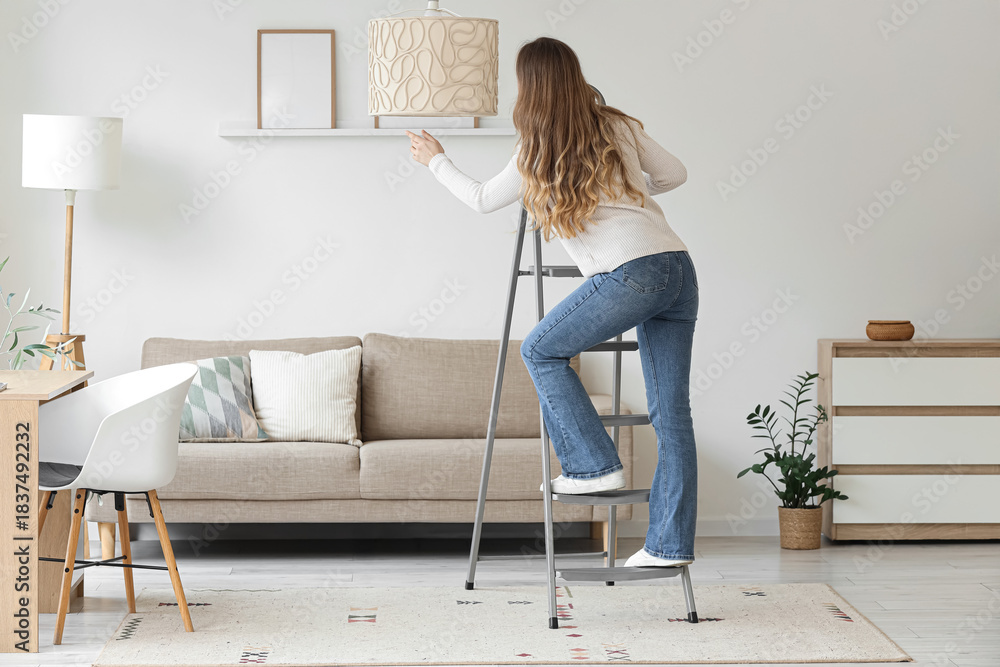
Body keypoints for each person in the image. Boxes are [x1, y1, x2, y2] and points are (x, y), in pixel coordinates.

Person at [405, 37, 698, 568]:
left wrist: (436, 160)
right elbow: (675, 173)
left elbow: (481, 200)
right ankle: (668, 546)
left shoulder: (537, 147)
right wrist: (630, 189)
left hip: (632, 274)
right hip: (678, 266)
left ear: (529, 87)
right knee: (672, 415)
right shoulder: (619, 125)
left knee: (539, 350)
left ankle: (592, 465)